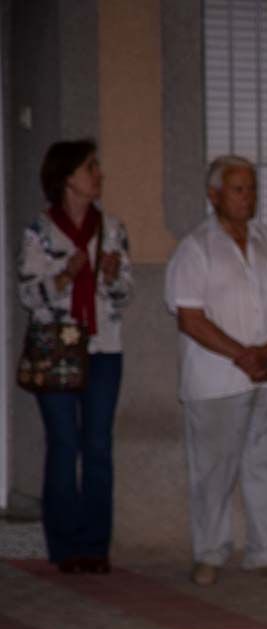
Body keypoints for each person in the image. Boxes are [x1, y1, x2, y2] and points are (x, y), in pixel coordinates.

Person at [164, 155, 267, 586]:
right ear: (214, 195)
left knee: (266, 466)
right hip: (215, 382)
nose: (248, 197)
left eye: (252, 188)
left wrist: (266, 351)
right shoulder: (196, 247)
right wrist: (243, 355)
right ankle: (209, 553)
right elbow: (189, 317)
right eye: (239, 189)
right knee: (213, 470)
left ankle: (266, 551)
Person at [18, 139, 133, 574]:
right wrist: (66, 274)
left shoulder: (113, 228)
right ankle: (65, 546)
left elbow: (125, 295)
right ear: (68, 178)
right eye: (90, 168)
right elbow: (29, 294)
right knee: (65, 445)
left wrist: (110, 277)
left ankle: (95, 546)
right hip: (57, 351)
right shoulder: (40, 232)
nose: (98, 174)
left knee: (98, 446)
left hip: (103, 348)